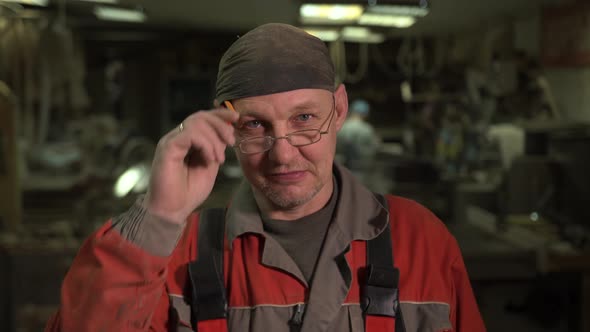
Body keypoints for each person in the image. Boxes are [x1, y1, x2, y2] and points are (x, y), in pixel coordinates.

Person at [45, 23, 486, 332]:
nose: (283, 152)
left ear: (340, 109)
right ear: (225, 126)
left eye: (305, 118)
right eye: (254, 125)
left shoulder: (420, 239)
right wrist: (158, 215)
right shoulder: (180, 255)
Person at [336, 98, 380, 183]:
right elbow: (374, 149)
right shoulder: (367, 129)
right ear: (365, 114)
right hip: (361, 169)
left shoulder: (340, 127)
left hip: (341, 170)